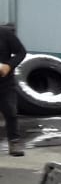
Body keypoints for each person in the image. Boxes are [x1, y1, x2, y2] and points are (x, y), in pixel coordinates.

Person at [0, 23, 26, 156]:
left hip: (5, 82)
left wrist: (9, 66)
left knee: (10, 111)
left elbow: (21, 52)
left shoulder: (5, 34)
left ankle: (14, 142)